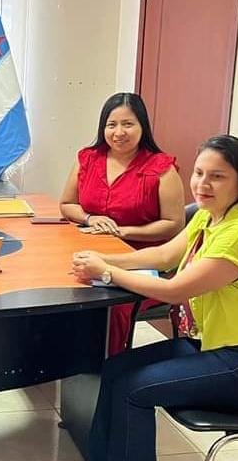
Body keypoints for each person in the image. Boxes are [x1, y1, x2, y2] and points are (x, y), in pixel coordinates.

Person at [66, 135, 238, 461]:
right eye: (199, 173)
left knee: (133, 389)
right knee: (116, 368)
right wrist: (104, 257)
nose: (203, 184)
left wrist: (107, 272)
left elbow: (175, 290)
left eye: (217, 176)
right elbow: (165, 256)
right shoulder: (209, 215)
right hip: (212, 344)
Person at [59, 92, 185, 354]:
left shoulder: (162, 168)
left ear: (142, 127)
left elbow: (174, 224)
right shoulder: (88, 159)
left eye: (128, 124)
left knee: (110, 305)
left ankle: (107, 364)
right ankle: (64, 360)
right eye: (111, 124)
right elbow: (67, 204)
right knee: (58, 288)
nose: (119, 132)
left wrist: (123, 231)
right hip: (90, 250)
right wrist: (90, 218)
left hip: (143, 261)